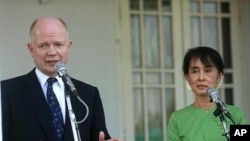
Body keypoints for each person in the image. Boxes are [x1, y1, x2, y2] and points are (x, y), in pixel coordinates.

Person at [1, 16, 120, 141]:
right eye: (43, 46)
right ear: (31, 49)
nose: (52, 52)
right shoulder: (6, 92)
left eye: (58, 44)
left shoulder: (88, 95)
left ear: (69, 47)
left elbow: (100, 137)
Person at [167, 46, 247, 141]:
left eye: (207, 70)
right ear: (187, 77)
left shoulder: (235, 115)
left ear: (219, 76)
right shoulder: (177, 119)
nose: (201, 78)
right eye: (195, 71)